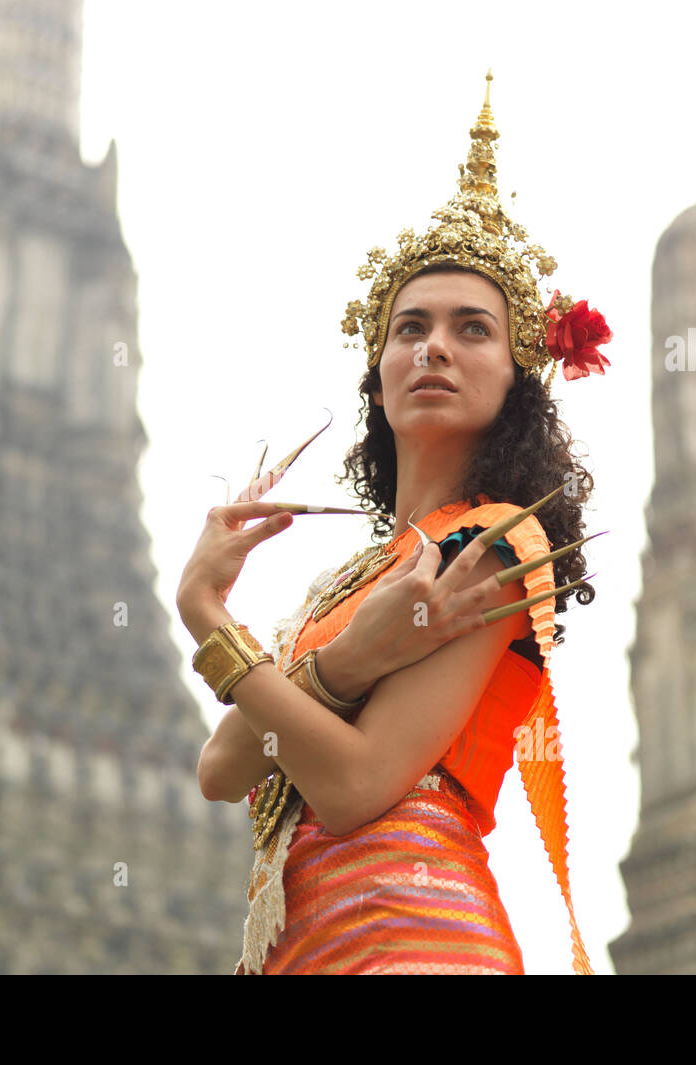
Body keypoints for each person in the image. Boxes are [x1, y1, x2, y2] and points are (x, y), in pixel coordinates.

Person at [176, 70, 612, 975]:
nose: (435, 347)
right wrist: (348, 658)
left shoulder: (489, 546)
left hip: (418, 936)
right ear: (378, 372)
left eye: (471, 329)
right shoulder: (351, 584)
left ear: (514, 382)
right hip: (314, 943)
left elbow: (353, 784)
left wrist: (208, 615)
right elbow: (222, 768)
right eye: (410, 327)